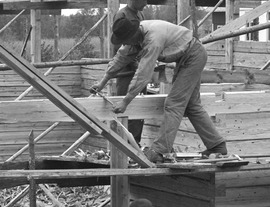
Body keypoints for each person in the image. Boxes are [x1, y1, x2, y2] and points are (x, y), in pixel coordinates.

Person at [97, 15, 227, 164]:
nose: (125, 44)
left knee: (173, 103)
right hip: (188, 56)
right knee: (191, 105)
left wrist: (126, 101)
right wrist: (103, 81)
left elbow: (143, 74)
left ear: (133, 34)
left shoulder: (153, 39)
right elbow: (121, 57)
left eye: (126, 40)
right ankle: (217, 146)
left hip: (193, 55)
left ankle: (160, 150)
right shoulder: (135, 35)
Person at [94, 0, 150, 143]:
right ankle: (123, 145)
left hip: (138, 68)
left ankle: (135, 144)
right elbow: (123, 49)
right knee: (123, 106)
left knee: (139, 107)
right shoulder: (123, 16)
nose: (145, 3)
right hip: (125, 70)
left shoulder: (139, 15)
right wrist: (135, 64)